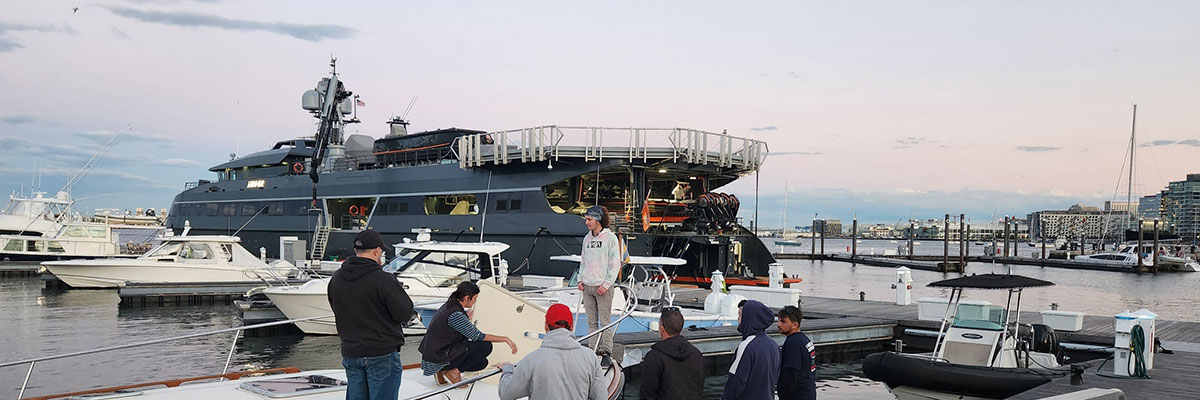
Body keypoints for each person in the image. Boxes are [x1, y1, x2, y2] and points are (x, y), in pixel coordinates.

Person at [327, 229, 414, 400]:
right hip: (381, 352)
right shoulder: (383, 279)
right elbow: (404, 314)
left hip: (351, 351)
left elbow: (336, 307)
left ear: (355, 251)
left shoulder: (336, 278)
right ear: (377, 251)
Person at [497, 303, 609, 400]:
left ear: (545, 326)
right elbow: (601, 396)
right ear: (571, 327)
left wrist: (508, 369)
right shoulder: (590, 358)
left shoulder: (532, 360)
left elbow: (506, 394)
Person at [419, 282, 519, 385]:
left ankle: (442, 371)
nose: (475, 301)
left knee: (481, 363)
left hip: (433, 355)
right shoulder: (456, 315)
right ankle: (453, 372)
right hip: (438, 358)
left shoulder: (449, 305)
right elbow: (478, 336)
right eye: (475, 298)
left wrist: (466, 317)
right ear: (467, 298)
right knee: (486, 346)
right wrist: (506, 339)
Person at [578, 205, 621, 366]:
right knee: (591, 321)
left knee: (605, 321)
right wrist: (580, 280)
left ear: (598, 220)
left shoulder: (610, 238)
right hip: (587, 285)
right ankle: (592, 348)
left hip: (603, 286)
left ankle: (606, 350)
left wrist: (607, 283)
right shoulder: (587, 238)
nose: (586, 222)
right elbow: (583, 260)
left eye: (589, 219)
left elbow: (614, 263)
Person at [638, 308, 704, 400]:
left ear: (661, 328)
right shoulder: (696, 354)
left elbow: (647, 394)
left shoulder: (654, 357)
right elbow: (698, 388)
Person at [722, 300, 780, 400]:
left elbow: (735, 382)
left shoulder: (746, 346)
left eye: (740, 315)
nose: (738, 319)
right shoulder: (774, 346)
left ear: (749, 318)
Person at [776, 306, 817, 400]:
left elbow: (790, 374)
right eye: (778, 321)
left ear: (795, 324)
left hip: (797, 395)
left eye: (783, 322)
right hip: (809, 391)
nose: (778, 324)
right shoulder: (805, 340)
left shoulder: (793, 343)